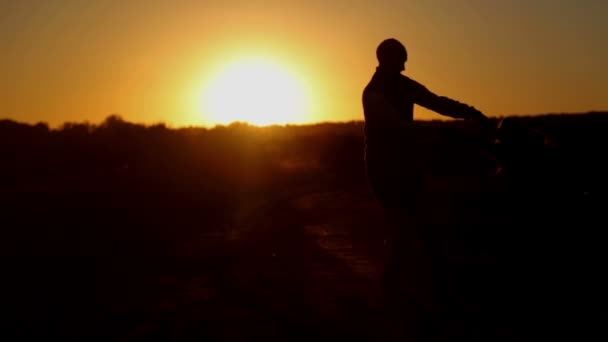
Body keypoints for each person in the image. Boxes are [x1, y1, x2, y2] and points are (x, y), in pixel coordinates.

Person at [362, 38, 490, 339]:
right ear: (388, 59)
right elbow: (399, 128)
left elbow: (437, 101)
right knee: (405, 228)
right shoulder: (375, 93)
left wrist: (471, 113)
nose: (406, 64)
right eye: (402, 59)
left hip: (405, 168)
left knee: (420, 229)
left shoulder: (403, 85)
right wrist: (445, 134)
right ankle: (394, 296)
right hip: (384, 170)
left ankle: (418, 294)